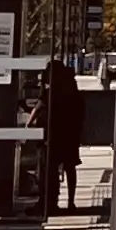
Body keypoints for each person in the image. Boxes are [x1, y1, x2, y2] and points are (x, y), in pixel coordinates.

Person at [37, 54, 85, 211]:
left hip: (54, 133)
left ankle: (49, 201)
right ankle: (71, 201)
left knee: (49, 167)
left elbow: (40, 107)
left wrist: (29, 124)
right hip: (70, 134)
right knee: (70, 167)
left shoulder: (52, 92)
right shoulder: (72, 89)